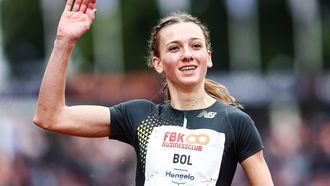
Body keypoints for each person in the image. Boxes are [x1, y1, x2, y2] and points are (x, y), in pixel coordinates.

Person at [33, 0, 274, 185]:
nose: (187, 54)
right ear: (158, 63)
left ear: (207, 58)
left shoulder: (235, 122)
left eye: (196, 46)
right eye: (174, 48)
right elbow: (50, 116)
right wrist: (64, 42)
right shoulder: (141, 115)